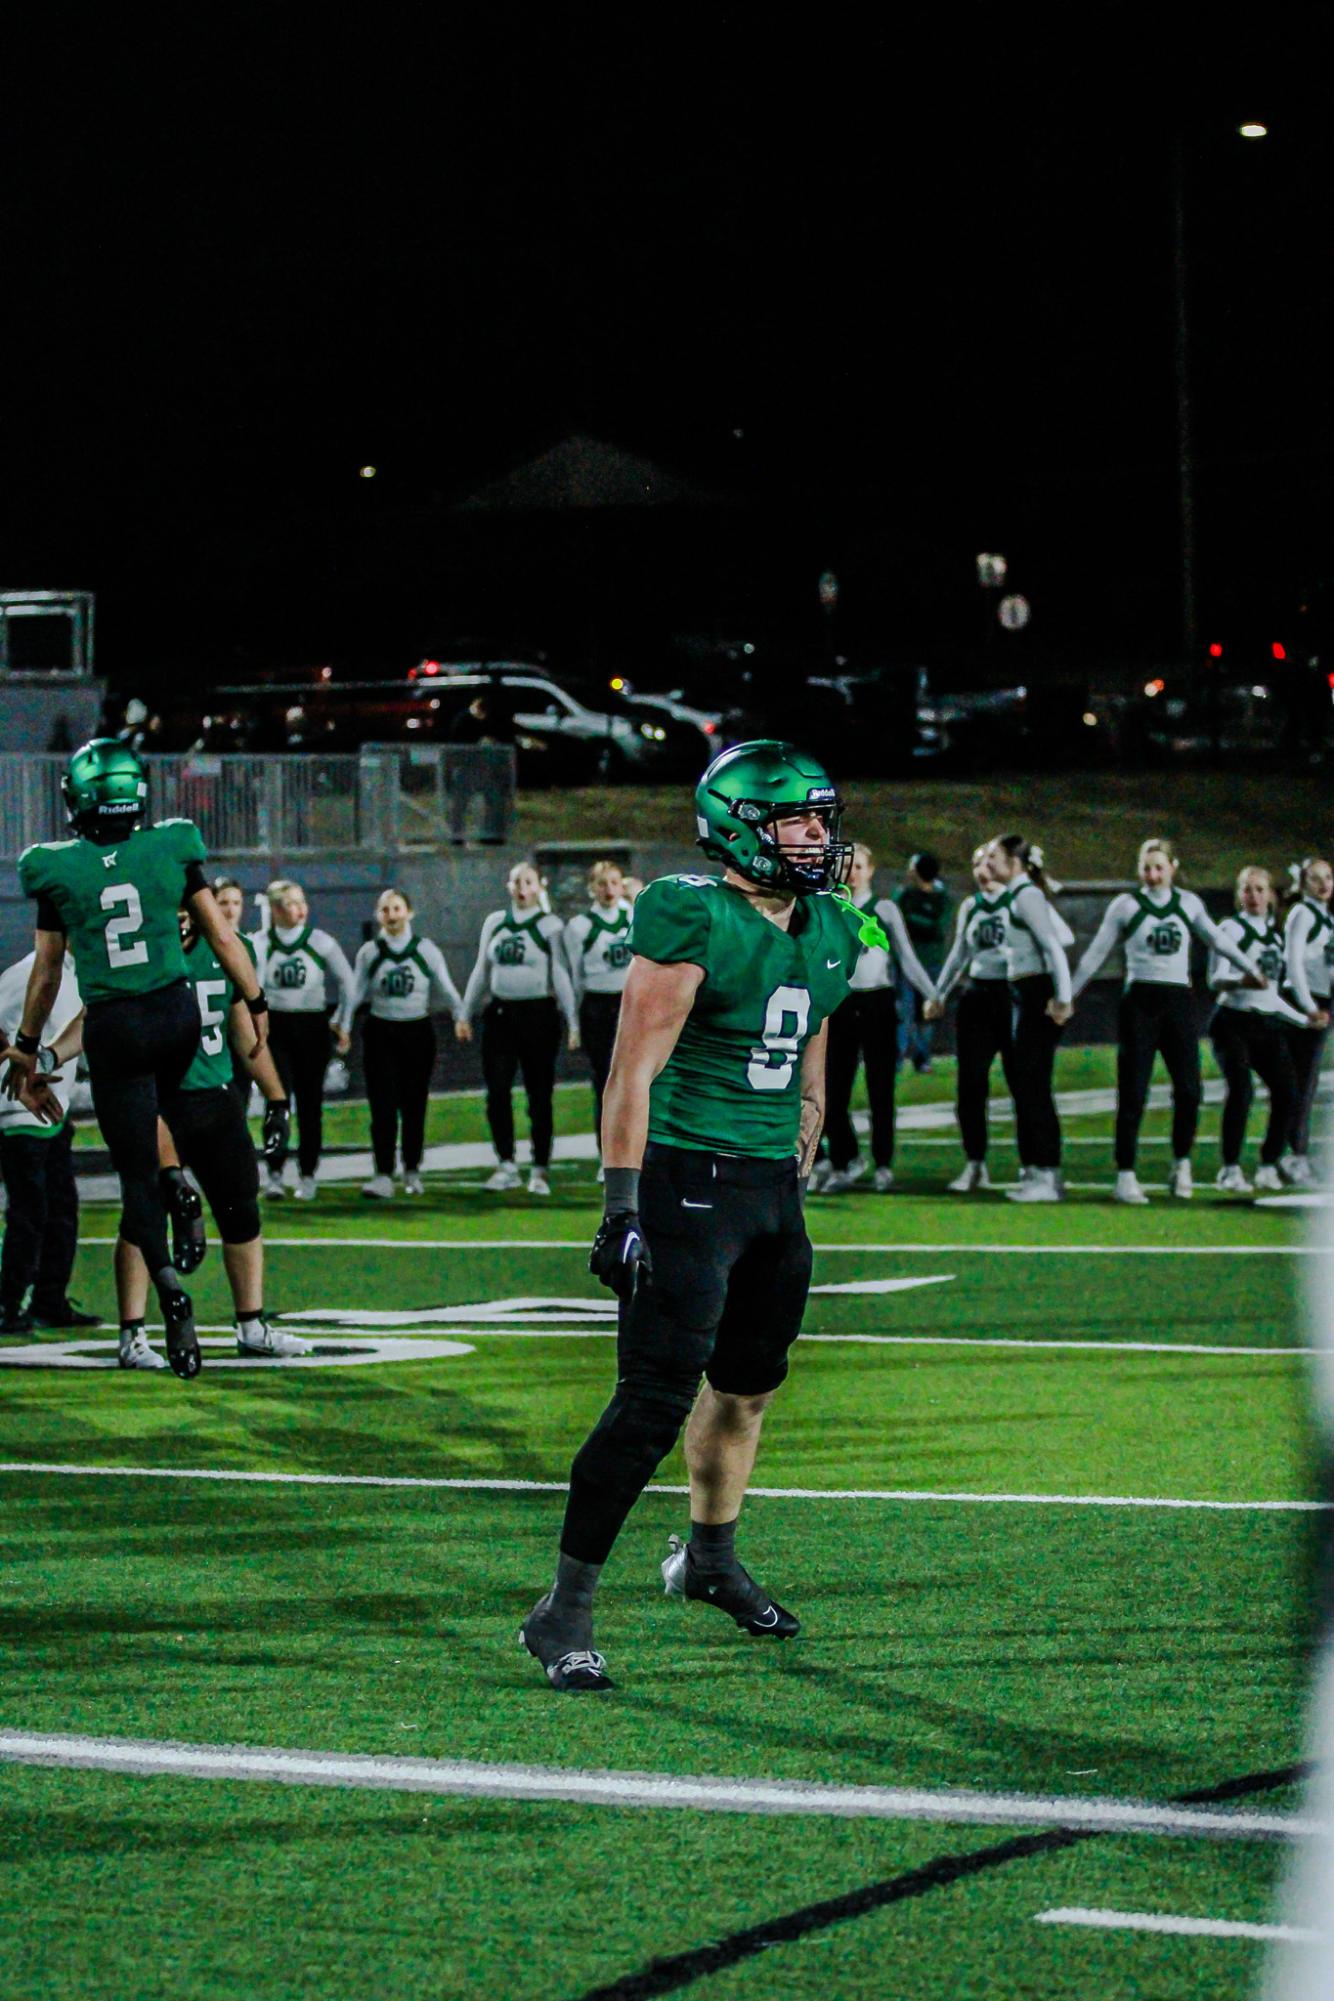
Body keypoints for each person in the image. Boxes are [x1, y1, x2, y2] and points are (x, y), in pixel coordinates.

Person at [519, 739, 863, 1694]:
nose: (817, 836)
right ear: (742, 829)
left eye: (818, 818)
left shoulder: (830, 921)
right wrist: (620, 1203)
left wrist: (811, 1108)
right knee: (652, 1402)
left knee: (749, 1386)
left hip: (767, 1190)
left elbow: (815, 1008)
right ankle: (564, 1611)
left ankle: (709, 1559)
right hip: (686, 1183)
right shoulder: (689, 913)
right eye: (797, 819)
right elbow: (632, 1065)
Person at [4, 737, 267, 1379]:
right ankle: (180, 1182)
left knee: (135, 1177)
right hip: (176, 1014)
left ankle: (170, 1284)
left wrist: (30, 1049)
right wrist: (257, 1001)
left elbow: (46, 972)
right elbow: (222, 934)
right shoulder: (171, 844)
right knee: (172, 1110)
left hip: (116, 1026)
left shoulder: (54, 866)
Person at [34, 907, 307, 1366]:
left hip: (215, 1096)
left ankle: (252, 1325)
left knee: (241, 1208)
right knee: (145, 1212)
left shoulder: (225, 948)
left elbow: (244, 1030)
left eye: (187, 911)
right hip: (154, 1098)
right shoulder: (140, 954)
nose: (181, 920)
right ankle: (133, 1334)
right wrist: (49, 1056)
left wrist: (277, 1100)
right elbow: (97, 1016)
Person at [1069, 839, 1264, 1203]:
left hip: (1178, 1000)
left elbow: (1216, 938)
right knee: (1133, 1091)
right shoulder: (1126, 906)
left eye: (1159, 867)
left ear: (1173, 866)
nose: (1153, 875)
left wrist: (1250, 967)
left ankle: (1181, 1163)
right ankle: (1125, 1174)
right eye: (1146, 868)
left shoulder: (1189, 903)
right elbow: (1095, 953)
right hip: (1140, 1001)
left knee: (1190, 1089)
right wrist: (1068, 995)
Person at [816, 841, 939, 1194]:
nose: (851, 873)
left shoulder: (884, 908)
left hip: (878, 1005)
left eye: (858, 866)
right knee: (833, 1092)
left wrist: (931, 992)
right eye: (846, 866)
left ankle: (883, 1163)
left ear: (871, 870)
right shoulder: (830, 906)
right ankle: (845, 1161)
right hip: (840, 1003)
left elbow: (906, 957)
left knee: (880, 1090)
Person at [457, 861, 578, 1196]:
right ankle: (506, 1163)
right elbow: (482, 968)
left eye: (528, 882)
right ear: (509, 887)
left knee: (539, 1095)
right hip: (500, 1015)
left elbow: (561, 975)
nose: (522, 888)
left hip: (539, 1015)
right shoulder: (495, 922)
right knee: (496, 1091)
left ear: (539, 886)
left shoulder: (550, 925)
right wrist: (464, 1012)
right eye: (516, 882)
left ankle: (539, 1168)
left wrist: (573, 1021)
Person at [340, 887, 463, 1199]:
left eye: (397, 909)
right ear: (378, 915)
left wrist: (460, 1015)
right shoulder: (370, 952)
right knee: (382, 1106)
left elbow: (447, 988)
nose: (391, 915)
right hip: (381, 1032)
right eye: (385, 910)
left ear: (409, 913)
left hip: (417, 1032)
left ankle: (412, 1170)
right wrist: (343, 1024)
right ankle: (382, 1173)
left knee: (414, 1105)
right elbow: (355, 992)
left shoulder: (426, 950)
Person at [0, 945, 96, 1335]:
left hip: (52, 1114)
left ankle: (49, 1299)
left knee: (60, 1211)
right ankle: (7, 1304)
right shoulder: (27, 974)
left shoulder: (71, 973)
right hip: (20, 1116)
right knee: (30, 1214)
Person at [1209, 867, 1323, 1193]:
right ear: (1238, 895)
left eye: (1260, 890)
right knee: (1242, 1091)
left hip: (1264, 1023)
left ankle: (1268, 1164)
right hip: (1232, 1021)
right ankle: (1230, 1168)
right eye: (1247, 890)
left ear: (1271, 895)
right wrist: (1240, 980)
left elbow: (1270, 995)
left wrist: (1304, 1018)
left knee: (1288, 1092)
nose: (1254, 896)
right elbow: (1215, 980)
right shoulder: (1231, 928)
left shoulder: (1274, 937)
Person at [986, 835, 1073, 1203]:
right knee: (1028, 1083)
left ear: (1015, 862)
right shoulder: (1020, 895)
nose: (988, 864)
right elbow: (1063, 935)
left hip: (1037, 994)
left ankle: (1045, 1174)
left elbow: (1055, 946)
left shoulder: (1026, 896)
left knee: (1033, 1084)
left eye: (994, 857)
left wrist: (1063, 997)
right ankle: (1039, 1172)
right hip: (1027, 992)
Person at [259, 879, 355, 1200]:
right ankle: (274, 1174)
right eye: (292, 903)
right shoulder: (262, 943)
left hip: (312, 1027)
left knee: (311, 1104)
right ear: (275, 909)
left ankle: (308, 1174)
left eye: (302, 901)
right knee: (278, 1102)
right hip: (276, 1029)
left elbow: (348, 984)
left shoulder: (320, 941)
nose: (301, 909)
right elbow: (253, 989)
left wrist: (342, 1021)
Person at [933, 842, 1015, 1193]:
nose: (982, 869)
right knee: (971, 1084)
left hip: (1012, 995)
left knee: (1022, 1083)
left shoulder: (1021, 901)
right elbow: (959, 953)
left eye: (989, 862)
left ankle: (1035, 1166)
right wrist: (939, 993)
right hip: (977, 996)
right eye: (976, 862)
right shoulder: (971, 905)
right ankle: (975, 1162)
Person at [563, 860, 633, 1176]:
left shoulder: (635, 916)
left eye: (614, 882)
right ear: (592, 888)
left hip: (631, 1004)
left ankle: (639, 1153)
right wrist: (574, 1022)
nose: (608, 890)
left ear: (622, 885)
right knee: (605, 1082)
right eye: (602, 883)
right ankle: (607, 1158)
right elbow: (575, 977)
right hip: (597, 1007)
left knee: (642, 1081)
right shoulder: (580, 927)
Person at [1281, 856, 1334, 1183]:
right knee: (1300, 1081)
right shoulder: (1302, 913)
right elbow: (1293, 962)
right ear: (1304, 884)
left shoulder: (1325, 918)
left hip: (1322, 999)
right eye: (1316, 879)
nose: (1324, 884)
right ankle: (1293, 1156)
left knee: (1308, 1082)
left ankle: (1294, 1153)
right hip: (1306, 1001)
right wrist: (1306, 1005)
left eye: (1328, 877)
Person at [893, 851, 952, 1072]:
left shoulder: (941, 898)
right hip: (907, 963)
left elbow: (938, 929)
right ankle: (897, 1059)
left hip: (931, 962)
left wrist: (911, 919)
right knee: (904, 1012)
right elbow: (894, 919)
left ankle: (922, 1058)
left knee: (926, 1013)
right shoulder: (904, 894)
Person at [212, 876, 260, 1110]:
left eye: (236, 903)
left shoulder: (250, 945)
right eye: (223, 903)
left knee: (239, 1102)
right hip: (211, 1033)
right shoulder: (200, 943)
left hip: (240, 1034)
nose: (230, 910)